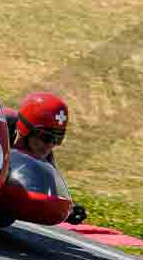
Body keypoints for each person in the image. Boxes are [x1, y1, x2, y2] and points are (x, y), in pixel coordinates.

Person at [6, 92, 87, 224]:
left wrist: (70, 211)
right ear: (26, 130)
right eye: (46, 137)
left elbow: (50, 194)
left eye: (57, 139)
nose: (50, 146)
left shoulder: (44, 153)